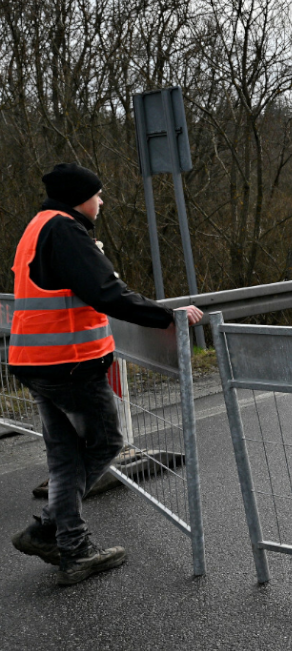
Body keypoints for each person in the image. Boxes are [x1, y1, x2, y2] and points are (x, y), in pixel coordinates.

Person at [8, 163, 203, 585]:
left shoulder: (37, 227)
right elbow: (106, 292)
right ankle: (60, 537)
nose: (102, 201)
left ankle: (62, 539)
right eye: (98, 194)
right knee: (106, 443)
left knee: (65, 455)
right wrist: (166, 316)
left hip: (37, 362)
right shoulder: (65, 230)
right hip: (70, 364)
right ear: (79, 197)